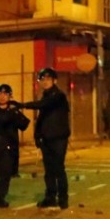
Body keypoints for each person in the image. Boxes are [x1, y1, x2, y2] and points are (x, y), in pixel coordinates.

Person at [20, 67, 70, 208]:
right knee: (49, 170)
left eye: (48, 78)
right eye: (42, 79)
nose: (45, 81)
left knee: (58, 168)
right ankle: (50, 197)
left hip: (59, 138)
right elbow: (42, 118)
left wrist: (24, 105)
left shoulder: (58, 96)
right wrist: (37, 136)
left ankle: (63, 199)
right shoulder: (45, 96)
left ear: (54, 80)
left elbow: (44, 105)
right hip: (47, 139)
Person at [0, 84, 30, 208]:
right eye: (0, 94)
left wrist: (16, 113)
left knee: (5, 173)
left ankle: (1, 197)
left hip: (8, 148)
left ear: (10, 96)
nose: (2, 97)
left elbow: (24, 125)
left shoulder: (13, 110)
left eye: (5, 94)